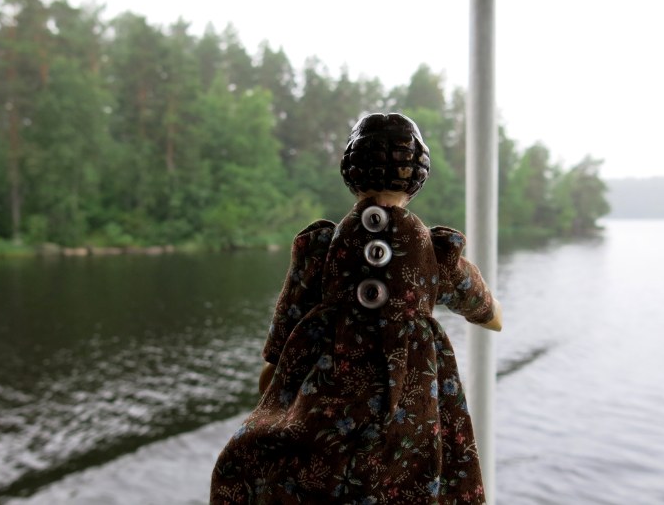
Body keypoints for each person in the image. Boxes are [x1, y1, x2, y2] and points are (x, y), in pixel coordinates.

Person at [211, 112, 502, 504]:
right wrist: (492, 313)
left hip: (327, 402)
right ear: (418, 174)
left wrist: (275, 379)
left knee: (262, 456)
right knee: (416, 475)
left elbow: (284, 330)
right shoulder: (436, 254)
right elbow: (485, 308)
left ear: (351, 169)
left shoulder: (321, 246)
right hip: (411, 408)